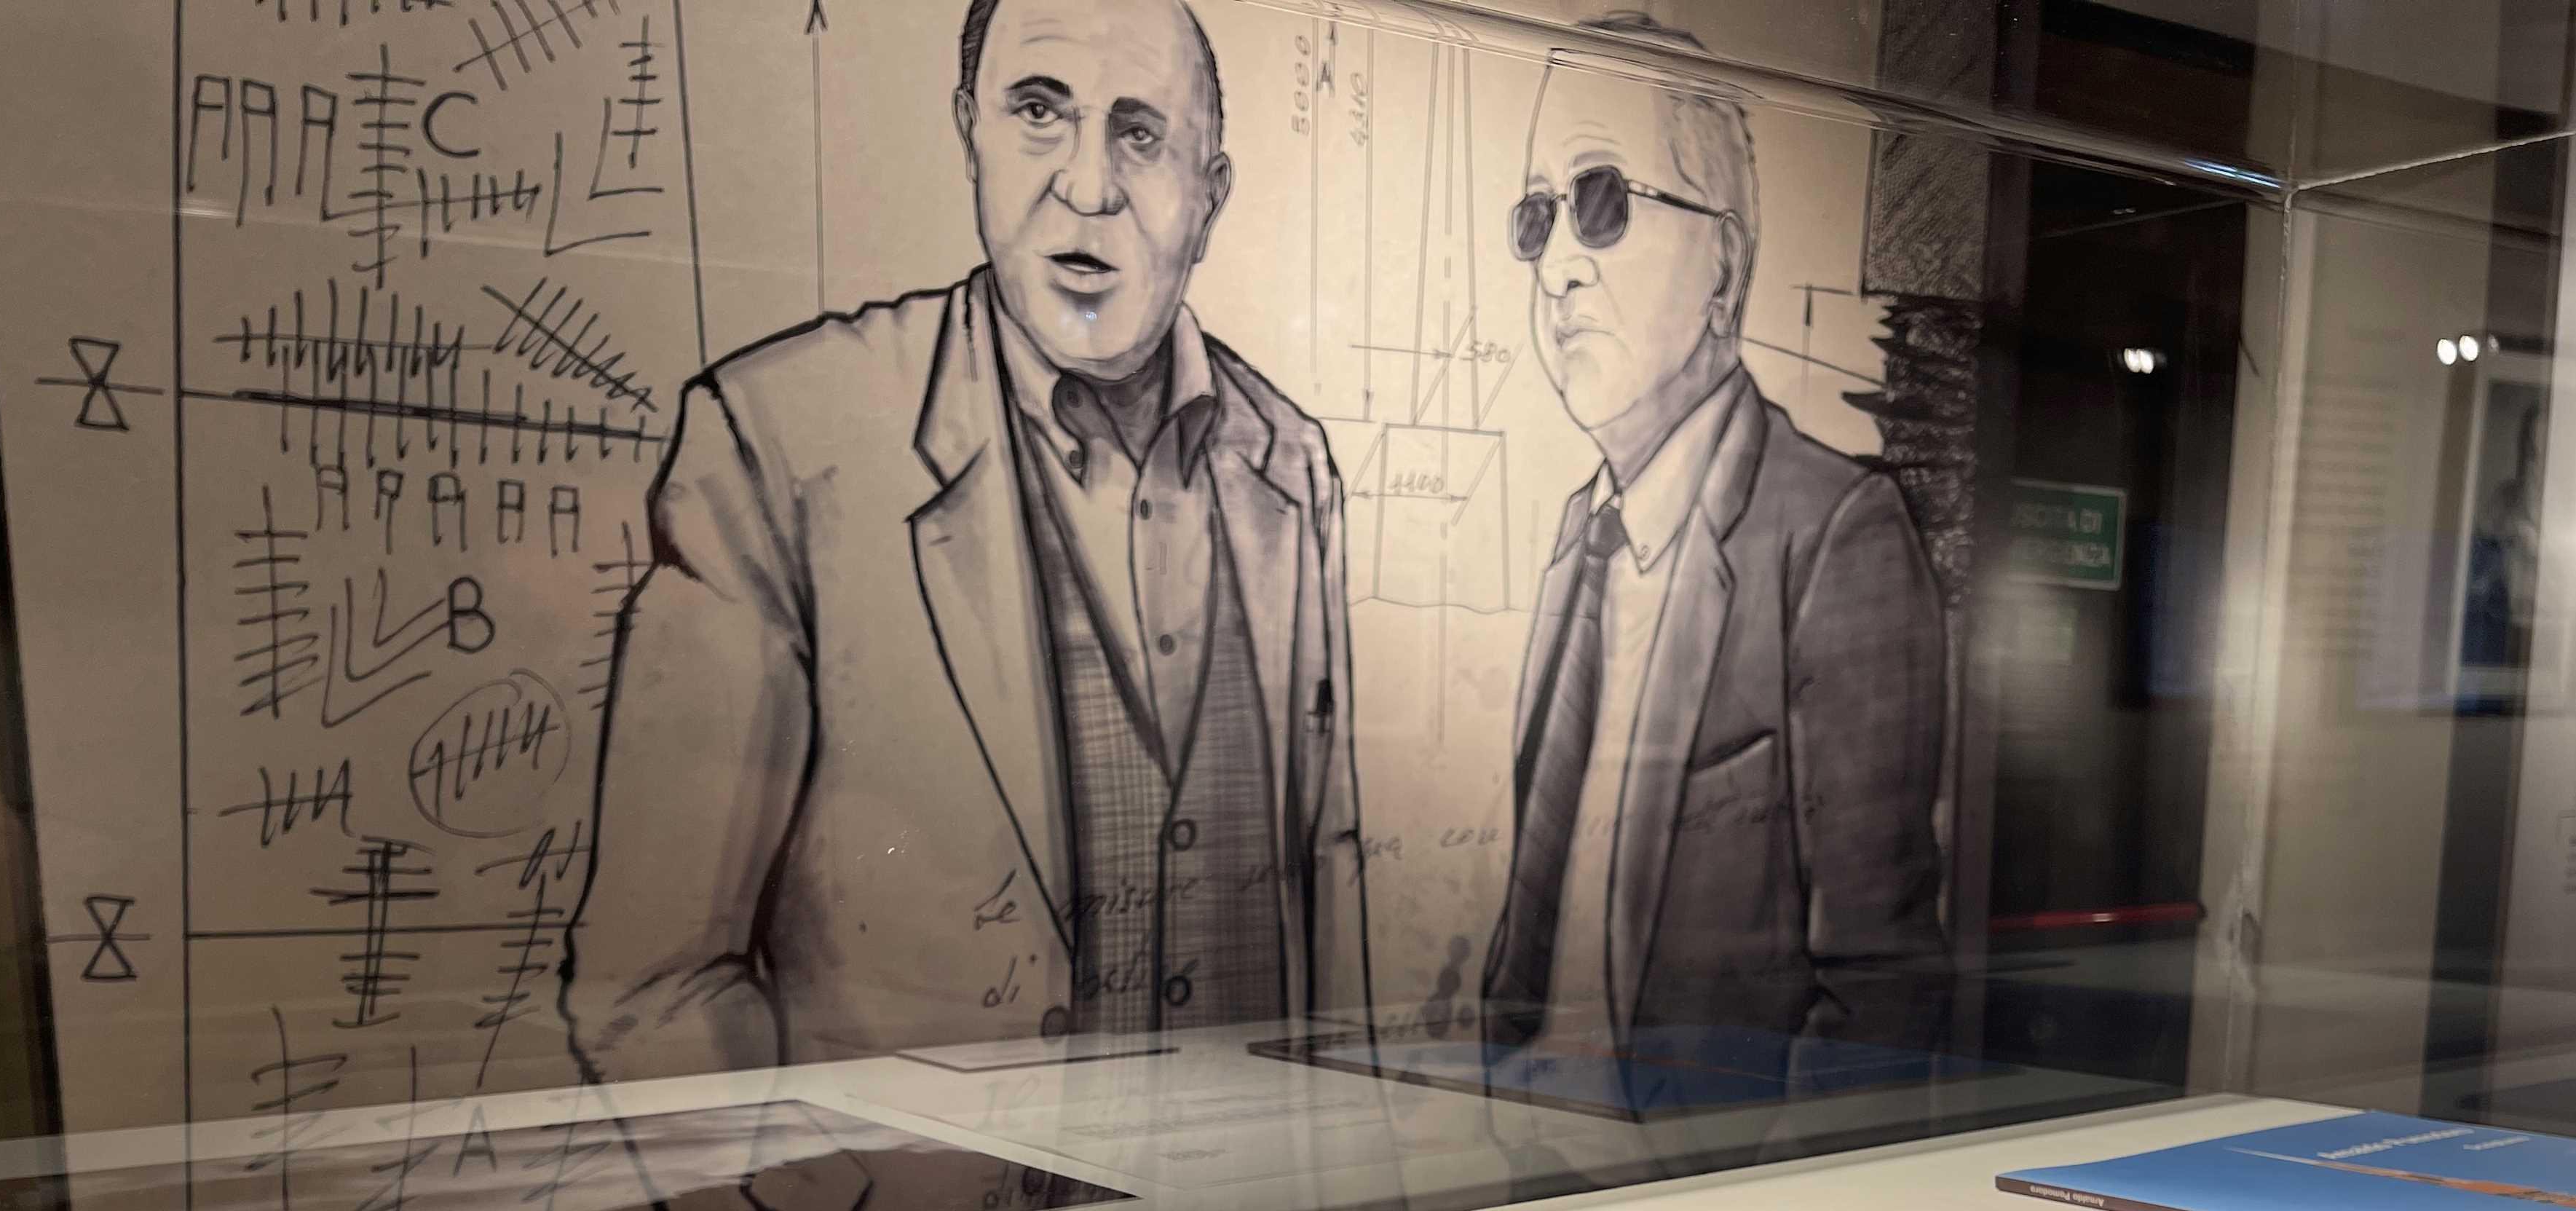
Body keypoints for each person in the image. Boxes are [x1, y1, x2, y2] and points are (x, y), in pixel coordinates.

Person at [563, 0, 1370, 1082]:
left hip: (1251, 1179)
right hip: (923, 1193)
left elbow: (1327, 883)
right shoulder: (776, 444)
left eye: (1140, 134)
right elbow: (654, 985)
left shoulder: (1291, 461)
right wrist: (804, 1181)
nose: (1088, 185)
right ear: (969, 133)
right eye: (1039, 112)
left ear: (1210, 196)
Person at [1483, 58, 1947, 1062]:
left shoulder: (1836, 536)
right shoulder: (1582, 535)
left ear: (1724, 267)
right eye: (1537, 218)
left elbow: (1878, 991)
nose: (1556, 265)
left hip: (1702, 1151)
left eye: (1601, 203)